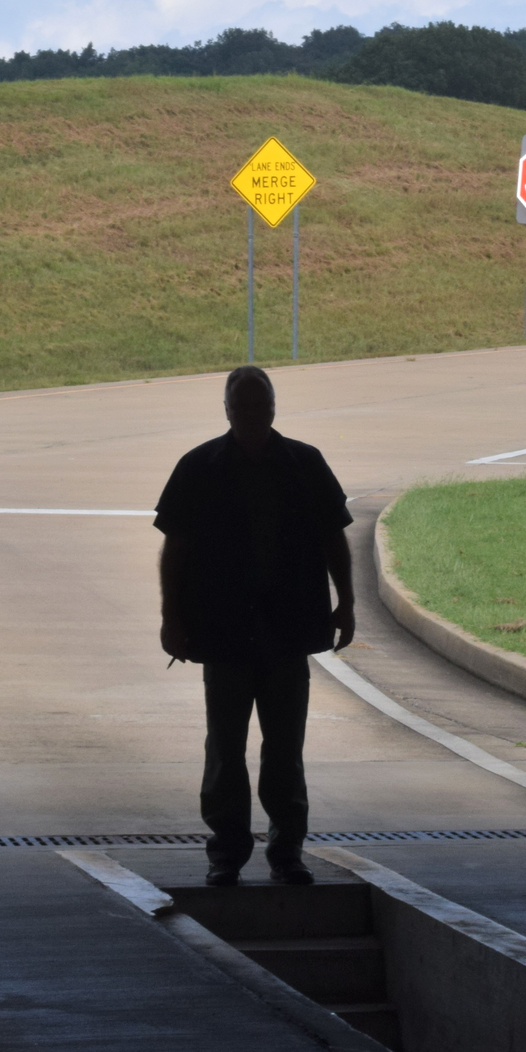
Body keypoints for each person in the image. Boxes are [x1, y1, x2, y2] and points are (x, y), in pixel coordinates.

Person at [155, 365, 354, 887]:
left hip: (288, 632)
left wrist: (347, 601)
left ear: (272, 408)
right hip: (223, 634)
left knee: (285, 747)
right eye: (239, 406)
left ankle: (286, 852)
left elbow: (335, 537)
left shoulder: (306, 465)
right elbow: (174, 549)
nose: (248, 414)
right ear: (226, 410)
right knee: (225, 747)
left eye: (257, 405)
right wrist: (170, 616)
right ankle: (227, 855)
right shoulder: (198, 467)